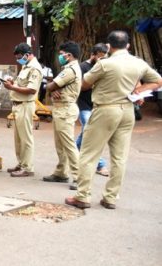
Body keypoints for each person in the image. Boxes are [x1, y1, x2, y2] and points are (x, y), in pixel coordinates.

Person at [65, 31, 162, 209]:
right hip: (127, 111)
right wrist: (138, 91)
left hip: (105, 110)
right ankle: (110, 198)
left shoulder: (105, 64)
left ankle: (83, 196)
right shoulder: (138, 63)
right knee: (119, 157)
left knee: (89, 153)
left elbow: (85, 84)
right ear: (128, 45)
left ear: (109, 46)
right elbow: (158, 81)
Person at [42, 41, 82, 186]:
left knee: (68, 144)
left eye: (62, 54)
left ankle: (79, 176)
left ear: (69, 55)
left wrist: (51, 88)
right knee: (60, 144)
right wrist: (53, 88)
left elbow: (50, 86)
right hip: (61, 109)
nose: (60, 56)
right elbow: (53, 87)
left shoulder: (70, 70)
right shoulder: (70, 68)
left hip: (65, 109)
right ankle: (61, 172)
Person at [3, 43, 43, 177]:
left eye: (20, 57)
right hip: (18, 105)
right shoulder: (26, 66)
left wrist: (12, 88)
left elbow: (32, 89)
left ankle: (28, 167)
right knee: (18, 138)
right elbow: (22, 84)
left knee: (26, 138)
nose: (18, 60)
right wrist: (12, 82)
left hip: (25, 105)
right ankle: (21, 163)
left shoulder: (34, 68)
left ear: (27, 54)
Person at [75, 44, 109, 180]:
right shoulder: (83, 67)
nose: (102, 60)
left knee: (83, 139)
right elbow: (81, 87)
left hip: (98, 106)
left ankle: (73, 152)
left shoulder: (104, 67)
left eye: (104, 57)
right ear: (93, 54)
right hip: (85, 106)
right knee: (92, 135)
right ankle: (100, 165)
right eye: (100, 57)